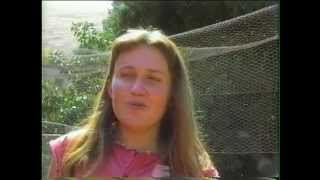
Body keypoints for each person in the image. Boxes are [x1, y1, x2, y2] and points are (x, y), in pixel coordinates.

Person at [47, 29, 219, 179]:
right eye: (127, 75)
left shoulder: (195, 170)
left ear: (172, 94)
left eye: (152, 78)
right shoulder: (69, 152)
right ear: (110, 87)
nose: (137, 89)